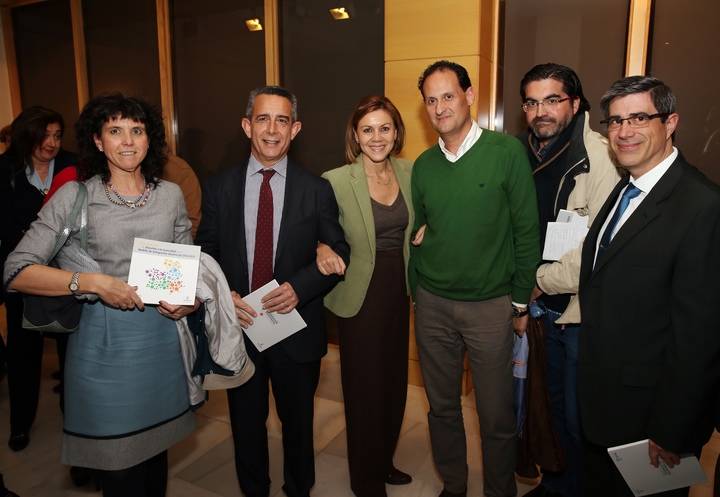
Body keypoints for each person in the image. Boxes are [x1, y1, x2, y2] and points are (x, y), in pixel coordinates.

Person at [3, 93, 198, 497]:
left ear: (150, 138)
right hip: (104, 353)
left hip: (163, 348)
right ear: (97, 140)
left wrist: (190, 299)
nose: (127, 141)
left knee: (155, 468)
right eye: (115, 130)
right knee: (120, 473)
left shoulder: (170, 195)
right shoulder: (76, 196)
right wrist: (91, 283)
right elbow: (16, 270)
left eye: (137, 130)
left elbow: (184, 270)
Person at [195, 86, 349, 497]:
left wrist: (300, 287)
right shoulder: (219, 187)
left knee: (298, 428)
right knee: (245, 427)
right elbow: (205, 250)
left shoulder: (316, 189)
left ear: (295, 129)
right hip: (241, 328)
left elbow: (339, 252)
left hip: (295, 329)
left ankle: (298, 490)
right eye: (263, 119)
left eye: (282, 120)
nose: (272, 129)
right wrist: (223, 293)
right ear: (247, 126)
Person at [578, 76, 720, 497]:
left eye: (639, 118)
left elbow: (700, 338)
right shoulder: (627, 187)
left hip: (653, 422)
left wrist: (672, 430)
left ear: (670, 122)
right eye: (615, 121)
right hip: (606, 403)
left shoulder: (703, 206)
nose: (624, 131)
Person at [410, 60, 540, 497]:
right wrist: (416, 292)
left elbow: (526, 231)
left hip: (490, 307)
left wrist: (519, 301)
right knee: (442, 408)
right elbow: (419, 231)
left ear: (469, 96)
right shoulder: (424, 165)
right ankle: (454, 485)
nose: (440, 107)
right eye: (431, 100)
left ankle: (499, 491)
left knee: (496, 415)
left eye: (448, 96)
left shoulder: (506, 153)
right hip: (432, 304)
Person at [518, 63, 620, 497]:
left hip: (579, 312)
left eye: (552, 100)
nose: (541, 111)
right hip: (541, 310)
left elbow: (597, 249)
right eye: (532, 102)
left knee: (583, 421)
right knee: (551, 409)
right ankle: (558, 485)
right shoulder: (523, 155)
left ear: (575, 104)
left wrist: (538, 281)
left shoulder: (602, 158)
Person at [316, 95, 415, 497]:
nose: (377, 137)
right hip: (359, 294)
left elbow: (426, 217)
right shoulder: (336, 180)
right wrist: (322, 246)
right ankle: (365, 479)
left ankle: (384, 460)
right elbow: (319, 229)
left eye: (385, 128)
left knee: (394, 381)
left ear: (396, 132)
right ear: (355, 136)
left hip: (399, 289)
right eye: (368, 130)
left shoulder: (411, 172)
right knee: (364, 389)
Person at [0, 106, 76, 452]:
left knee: (71, 354)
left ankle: (75, 424)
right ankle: (20, 424)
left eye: (57, 136)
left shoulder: (73, 166)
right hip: (24, 275)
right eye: (44, 135)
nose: (51, 143)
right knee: (23, 353)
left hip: (66, 273)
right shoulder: (6, 170)